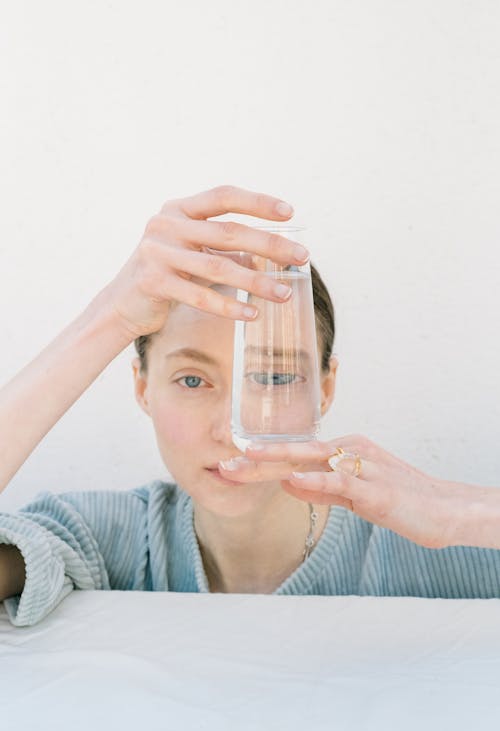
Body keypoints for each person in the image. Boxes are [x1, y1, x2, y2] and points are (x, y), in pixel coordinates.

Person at [1, 185, 499, 629]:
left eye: (276, 377)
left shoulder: (431, 547)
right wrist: (109, 317)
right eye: (193, 379)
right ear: (143, 387)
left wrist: (463, 513)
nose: (233, 432)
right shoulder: (103, 539)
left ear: (325, 389)